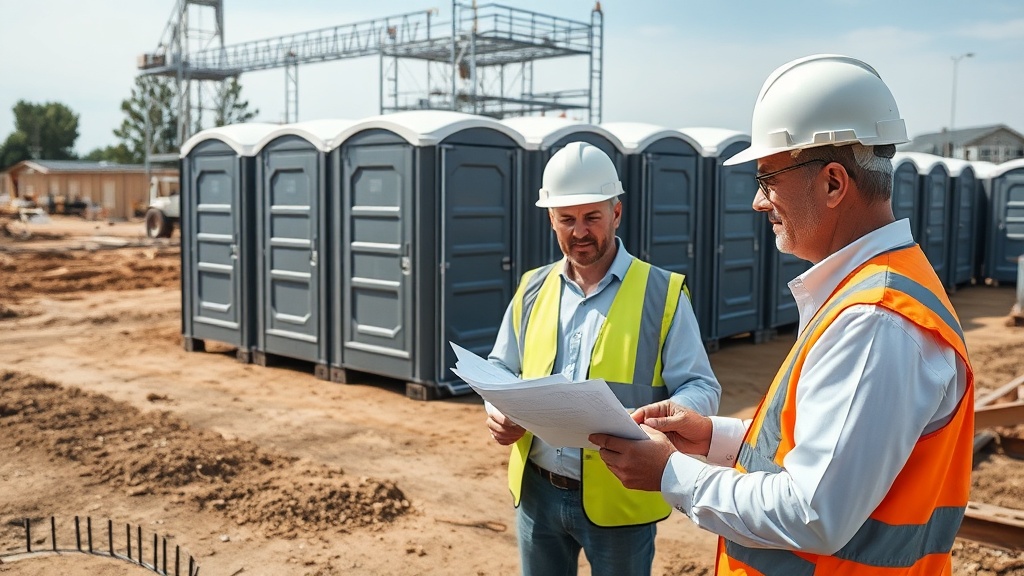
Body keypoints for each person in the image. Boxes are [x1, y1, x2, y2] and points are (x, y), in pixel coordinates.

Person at [591, 54, 975, 575]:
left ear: (834, 183)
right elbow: (818, 446)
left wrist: (671, 473)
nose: (757, 201)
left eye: (768, 178)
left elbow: (813, 513)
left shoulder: (876, 321)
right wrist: (714, 438)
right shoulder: (864, 294)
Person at [486, 140, 721, 576]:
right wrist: (497, 407)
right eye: (566, 219)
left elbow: (701, 386)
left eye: (592, 217)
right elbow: (500, 366)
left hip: (621, 496)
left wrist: (664, 421)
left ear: (616, 212)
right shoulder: (532, 288)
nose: (579, 232)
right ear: (551, 220)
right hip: (538, 493)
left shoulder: (661, 292)